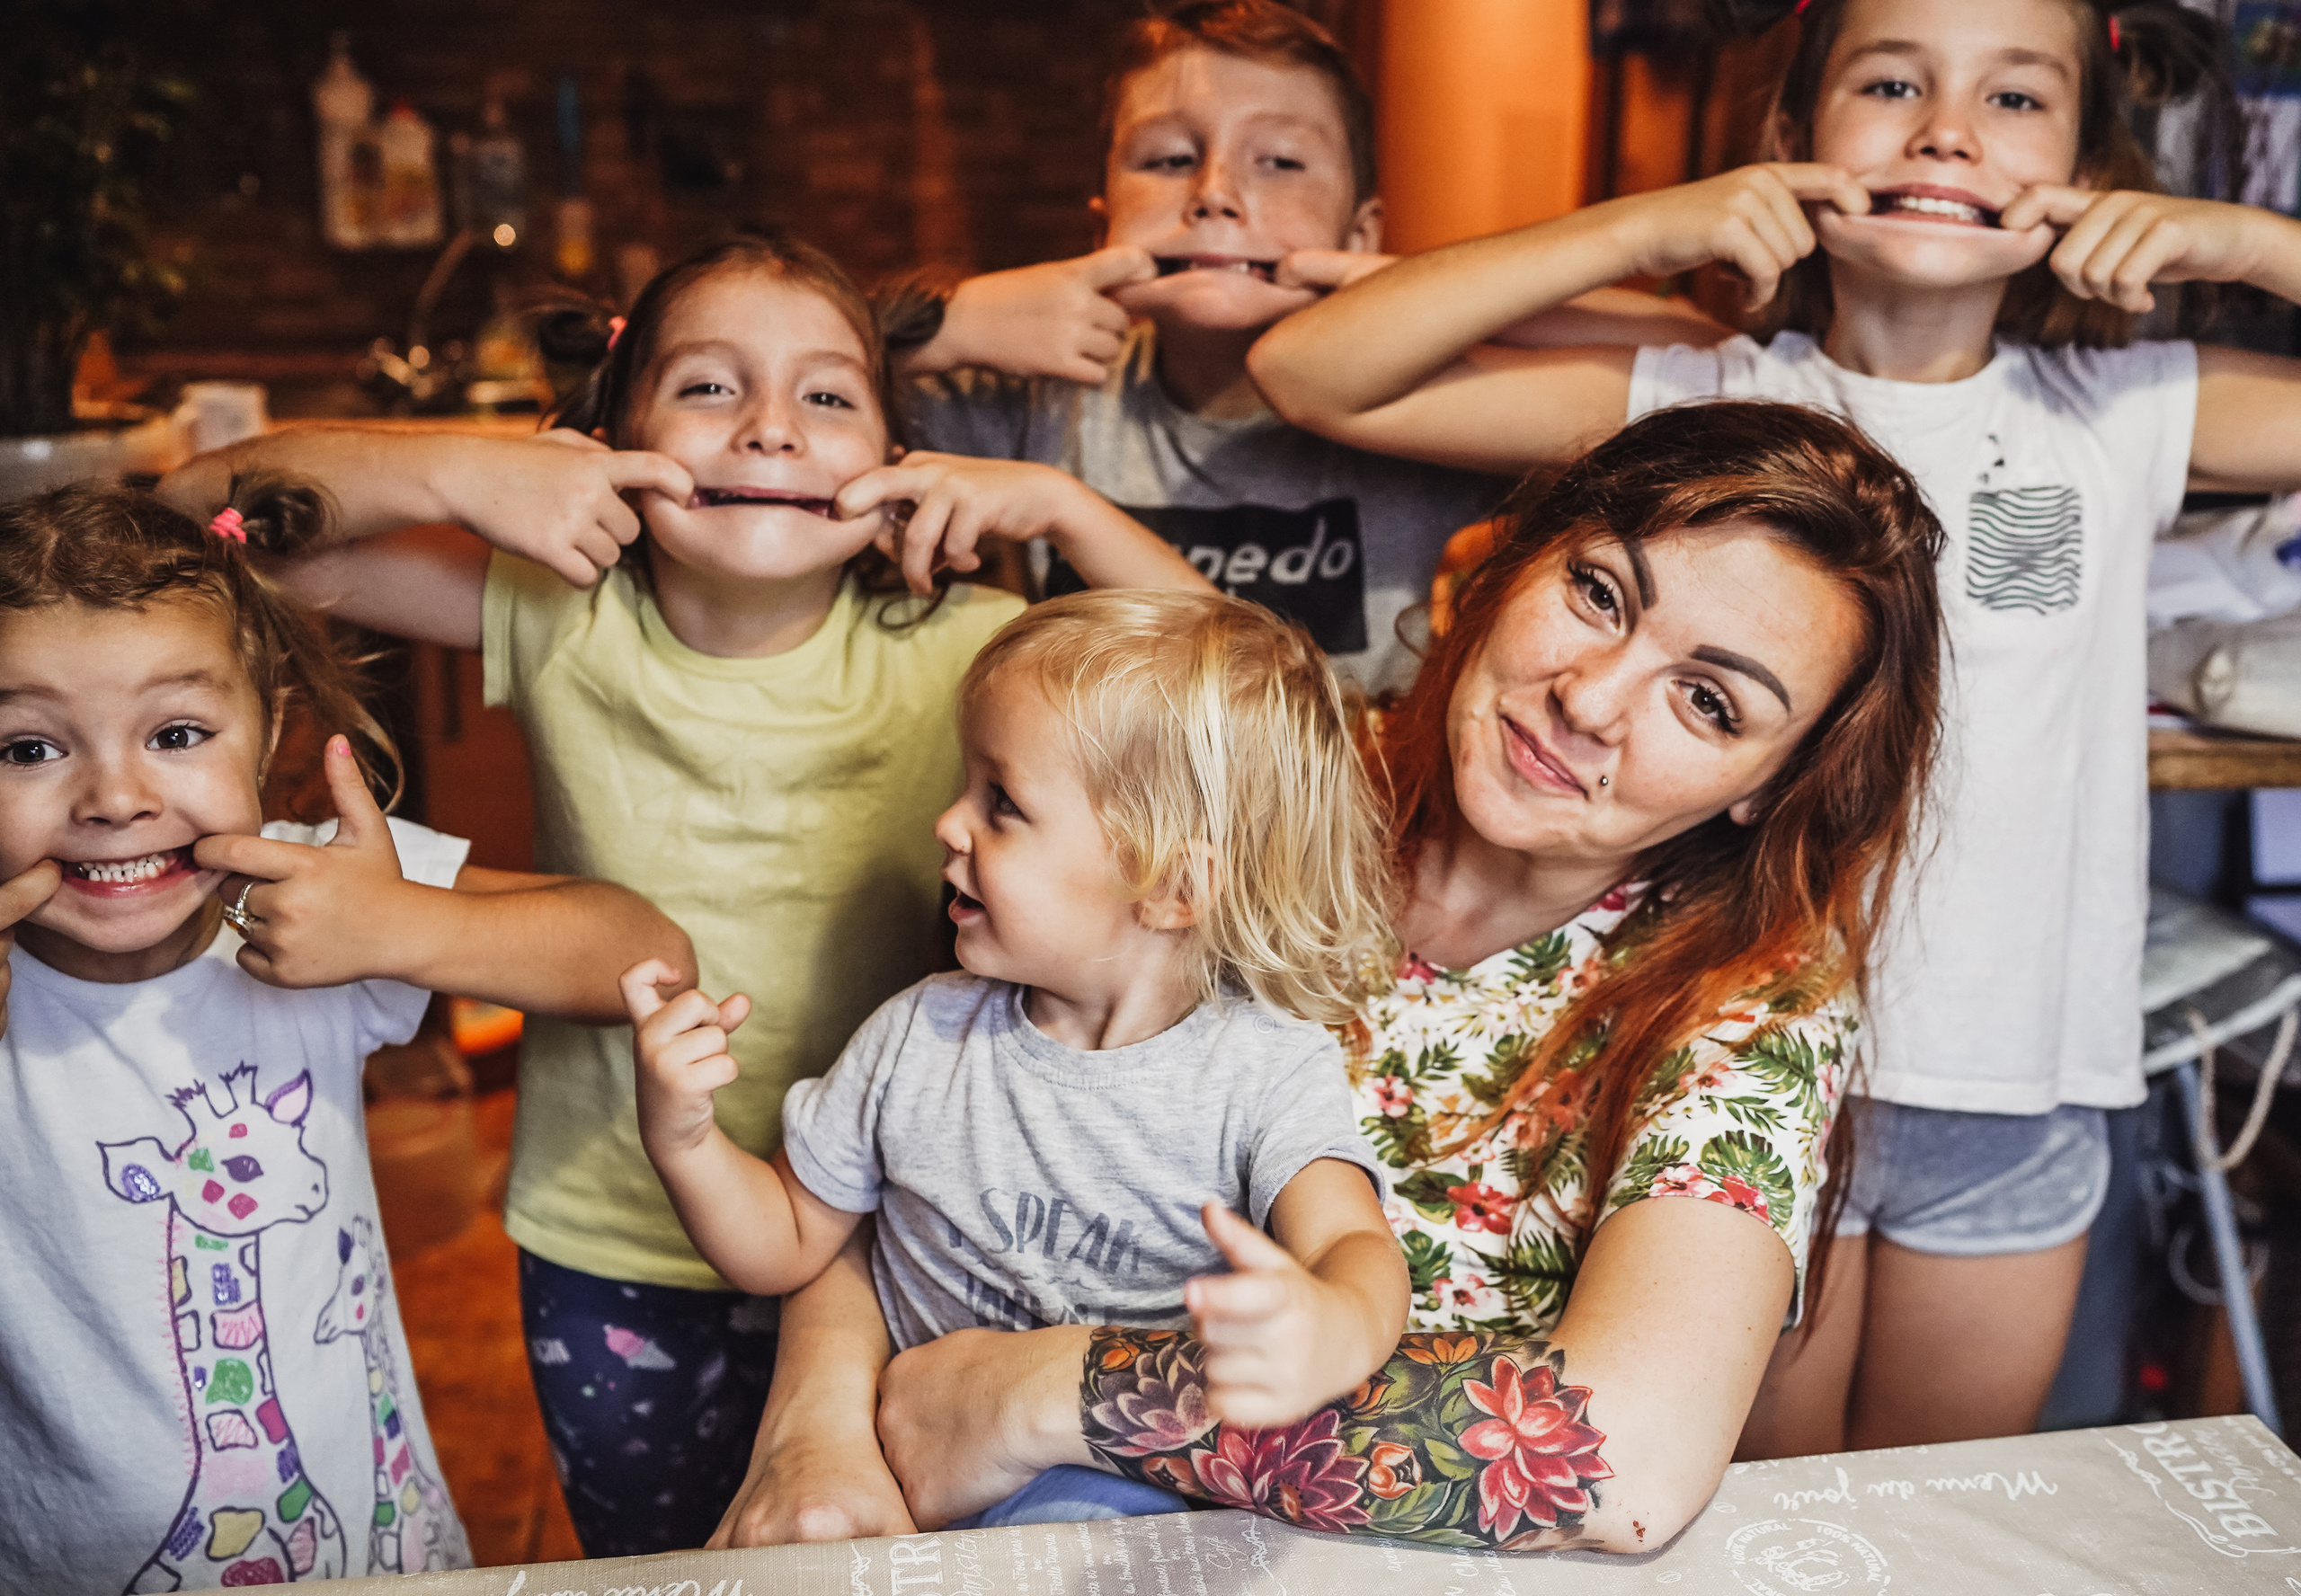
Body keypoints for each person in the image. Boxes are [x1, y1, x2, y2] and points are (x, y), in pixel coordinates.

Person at [1241, 0, 2301, 1455]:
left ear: (2087, 159)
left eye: (2014, 100)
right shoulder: (1717, 395)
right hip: (1732, 1080)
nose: (1945, 129)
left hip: (2017, 1092)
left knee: (1944, 1524)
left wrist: (2237, 243)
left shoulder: (2117, 414)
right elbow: (1311, 368)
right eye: (1890, 81)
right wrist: (1653, 225)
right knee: (1764, 1515)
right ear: (1796, 141)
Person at [708, 401, 1946, 1553]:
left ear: (1771, 787)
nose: (1591, 698)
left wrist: (1060, 1393)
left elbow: (1621, 1465)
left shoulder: (1751, 1004)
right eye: (1599, 592)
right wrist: (816, 1423)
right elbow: (926, 1117)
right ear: (1514, 561)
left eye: (1711, 702)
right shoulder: (1268, 797)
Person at [158, 227, 1211, 1556]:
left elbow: (1250, 693)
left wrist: (1064, 511)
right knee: (655, 1572)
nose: (770, 429)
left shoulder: (977, 653)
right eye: (709, 387)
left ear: (899, 467)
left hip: (910, 1247)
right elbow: (197, 527)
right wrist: (462, 468)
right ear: (614, 434)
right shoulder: (555, 613)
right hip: (616, 1238)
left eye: (828, 396)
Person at [0, 480, 689, 1592]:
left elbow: (643, 949)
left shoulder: (320, 881)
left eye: (176, 733)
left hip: (374, 1553)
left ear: (266, 722)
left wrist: (405, 924)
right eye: (27, 750)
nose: (113, 797)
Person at [626, 589, 1406, 1529]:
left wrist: (1334, 1326)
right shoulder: (916, 1037)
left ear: (1167, 886)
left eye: (1002, 804)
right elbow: (781, 1242)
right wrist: (684, 1135)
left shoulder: (1264, 1070)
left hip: (1125, 1502)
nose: (948, 823)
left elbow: (1352, 1245)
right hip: (903, 1485)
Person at [885, 0, 1723, 695]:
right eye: (1169, 158)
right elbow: (770, 358)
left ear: (1360, 231)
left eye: (1280, 162)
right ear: (1102, 221)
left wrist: (1411, 290)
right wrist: (951, 321)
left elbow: (1704, 355)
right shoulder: (1050, 397)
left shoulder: (1425, 411)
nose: (1214, 193)